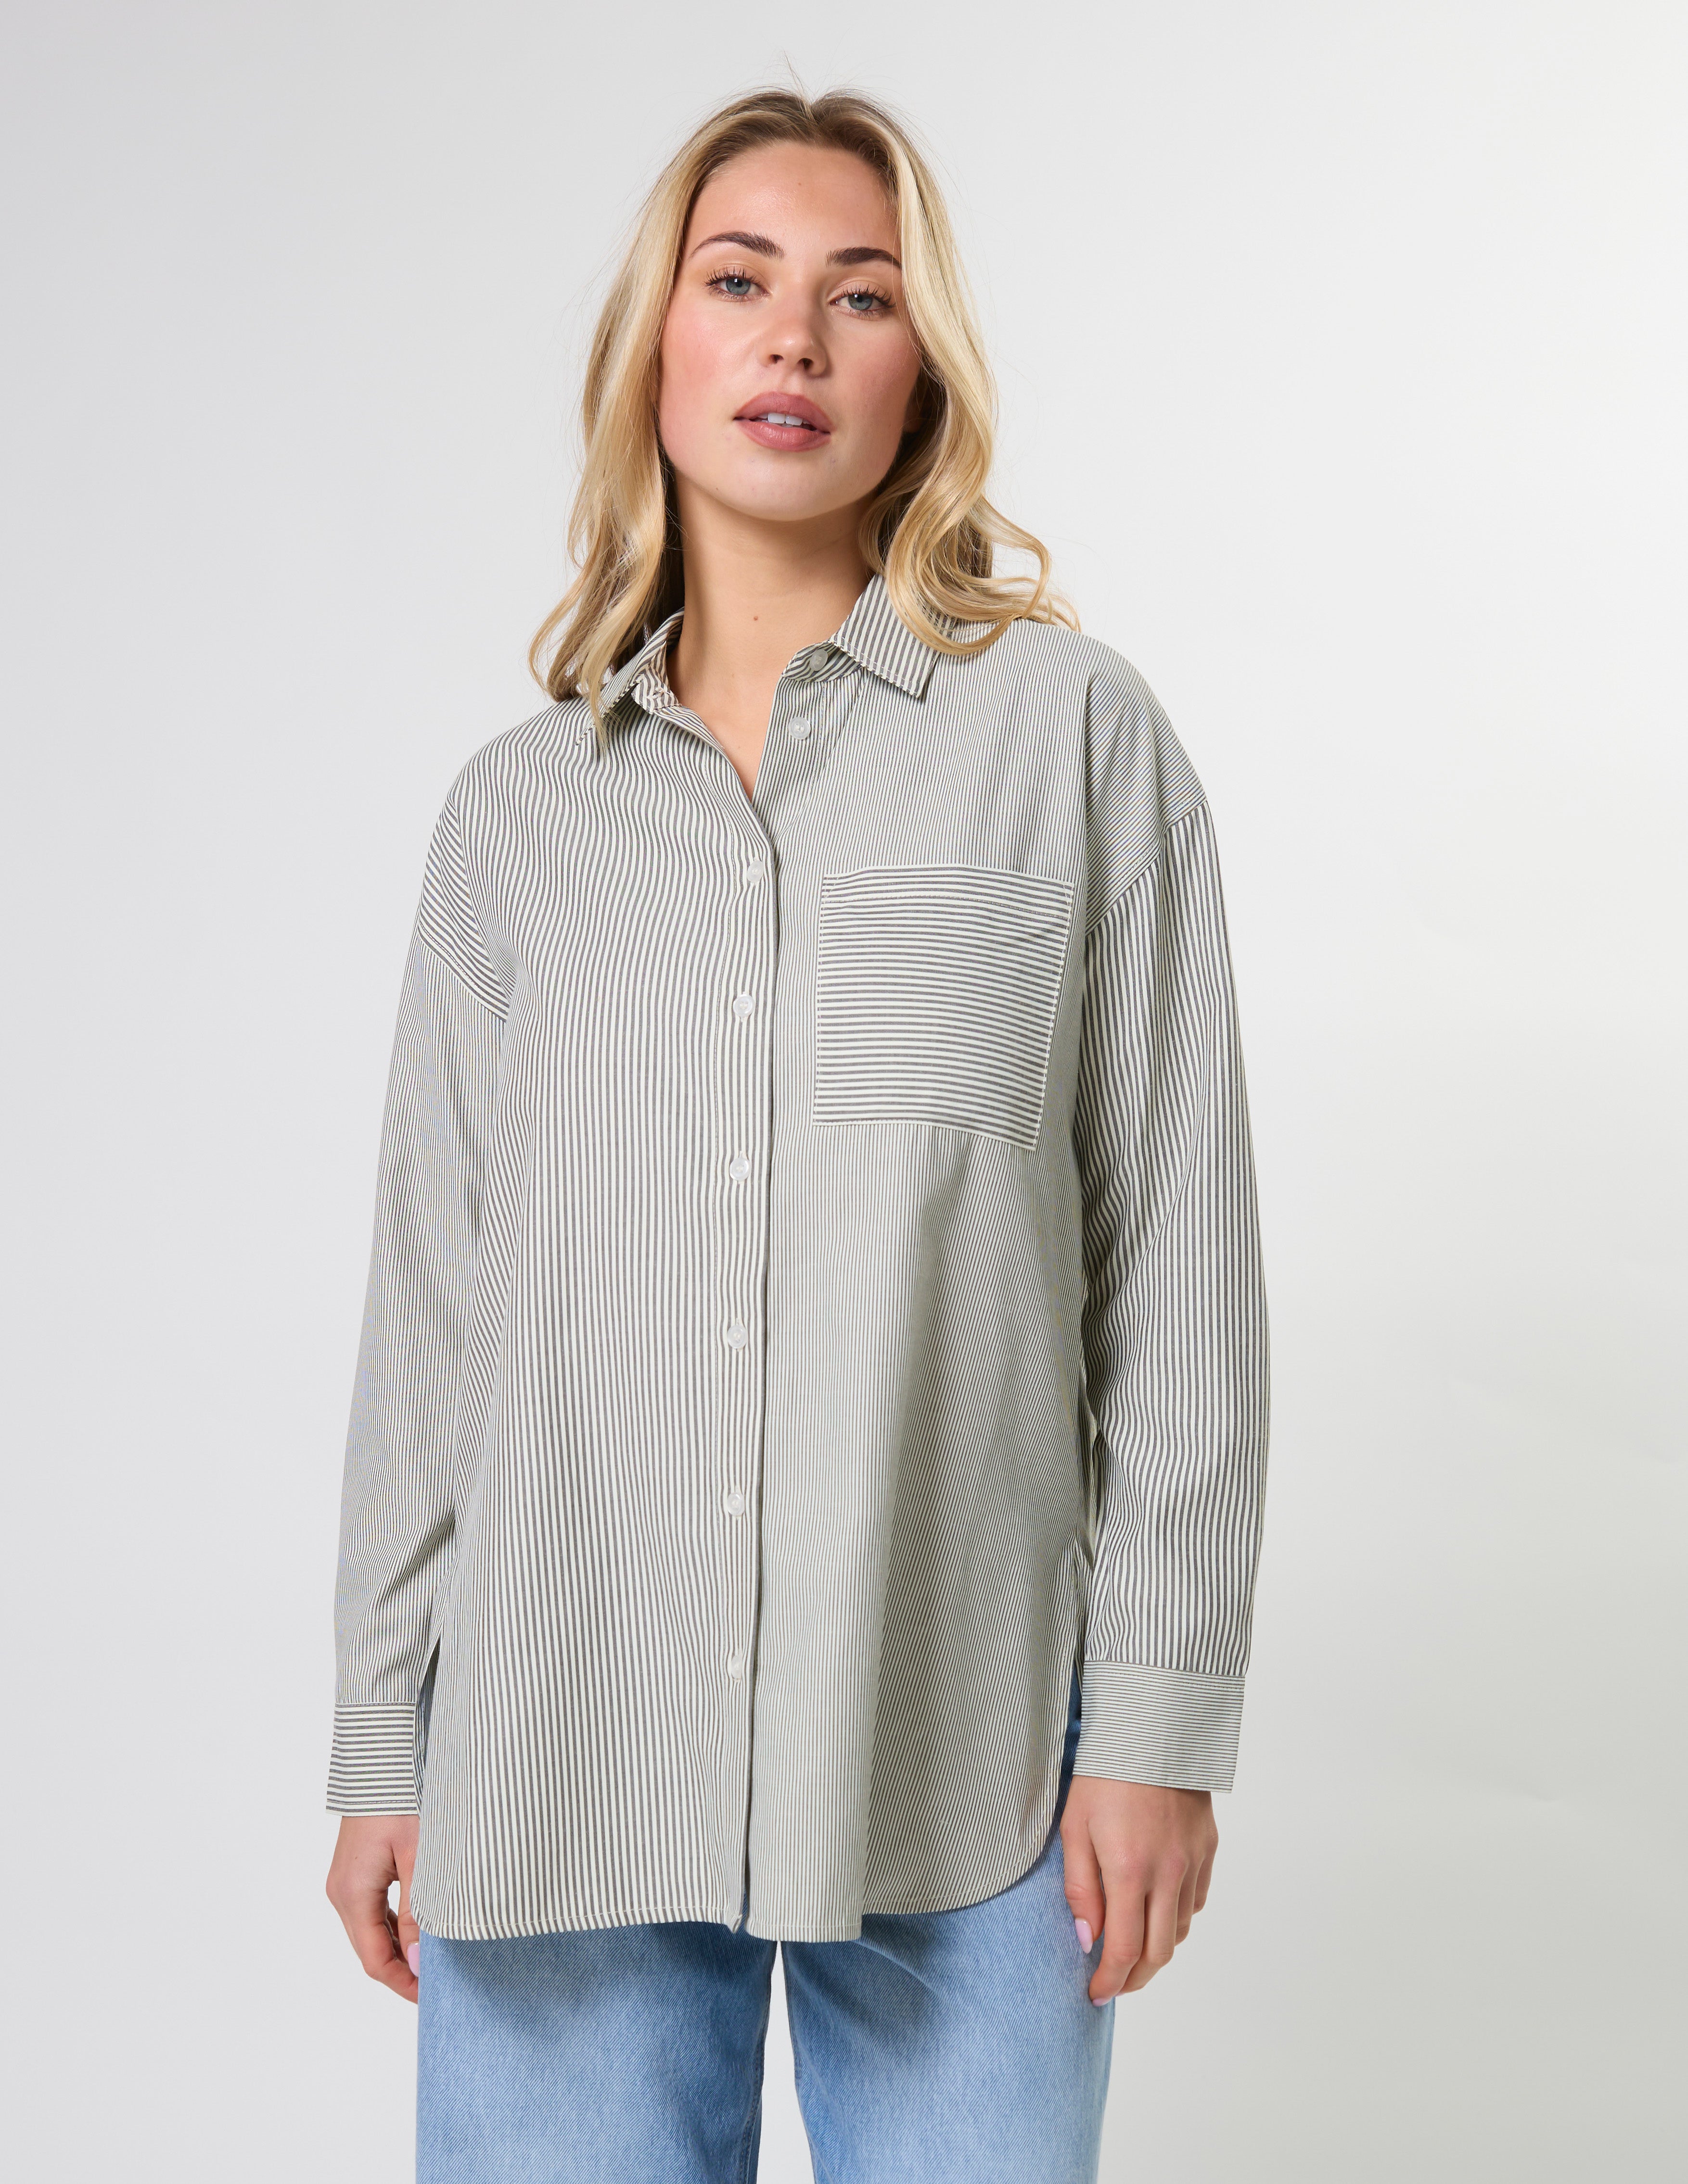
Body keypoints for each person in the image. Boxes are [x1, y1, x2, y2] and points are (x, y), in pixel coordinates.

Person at [323, 83, 1269, 2184]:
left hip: (969, 1760)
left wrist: (1159, 1720)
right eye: (737, 280)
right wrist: (386, 1731)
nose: (792, 338)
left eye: (860, 294)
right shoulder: (516, 821)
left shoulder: (1071, 743)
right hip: (559, 1744)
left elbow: (1177, 1273)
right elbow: (434, 1309)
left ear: (920, 366)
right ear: (653, 345)